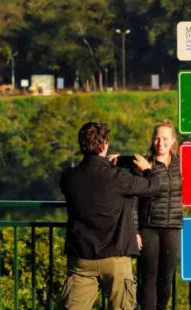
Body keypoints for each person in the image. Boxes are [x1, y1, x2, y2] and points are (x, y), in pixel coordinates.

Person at [61, 122, 159, 310]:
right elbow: (153, 187)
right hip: (115, 257)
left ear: (82, 144)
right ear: (105, 144)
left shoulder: (69, 177)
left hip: (81, 258)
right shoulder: (117, 178)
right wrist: (147, 169)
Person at [137, 120, 182, 310]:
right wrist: (134, 230)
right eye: (156, 138)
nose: (160, 142)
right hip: (149, 227)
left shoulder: (181, 164)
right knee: (148, 277)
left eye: (165, 138)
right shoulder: (144, 164)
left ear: (173, 140)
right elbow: (133, 200)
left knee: (166, 279)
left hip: (172, 226)